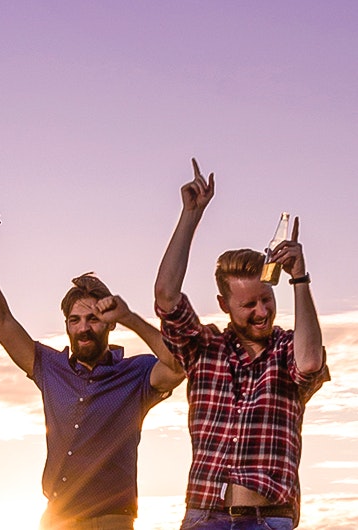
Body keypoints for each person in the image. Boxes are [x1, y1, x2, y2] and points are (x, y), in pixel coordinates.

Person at [0, 221, 186, 530]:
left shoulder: (136, 373)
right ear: (66, 324)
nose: (83, 328)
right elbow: (0, 318)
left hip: (112, 520)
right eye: (74, 320)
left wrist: (129, 318)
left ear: (110, 323)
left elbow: (178, 365)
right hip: (57, 518)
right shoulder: (49, 367)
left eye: (94, 319)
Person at [153, 159, 330, 529]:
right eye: (248, 304)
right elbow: (166, 297)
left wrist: (300, 278)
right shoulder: (203, 348)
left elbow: (311, 362)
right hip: (204, 516)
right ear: (224, 305)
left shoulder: (286, 350)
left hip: (268, 519)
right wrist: (191, 216)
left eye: (266, 299)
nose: (262, 311)